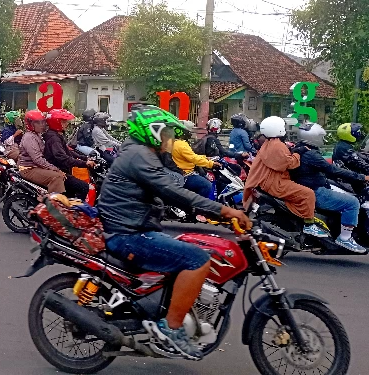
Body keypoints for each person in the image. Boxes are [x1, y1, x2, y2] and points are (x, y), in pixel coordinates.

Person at [97, 104, 251, 360]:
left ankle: (166, 310)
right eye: (166, 133)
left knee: (185, 248)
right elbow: (175, 193)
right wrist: (225, 211)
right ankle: (171, 328)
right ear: (152, 132)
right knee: (197, 259)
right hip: (129, 235)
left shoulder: (141, 153)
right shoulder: (139, 156)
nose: (170, 138)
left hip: (133, 227)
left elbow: (171, 184)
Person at [243, 116, 328, 237]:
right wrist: (299, 153)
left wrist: (294, 150)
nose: (286, 130)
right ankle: (309, 225)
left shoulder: (270, 143)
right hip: (275, 183)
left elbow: (282, 157)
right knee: (308, 194)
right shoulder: (276, 145)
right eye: (284, 127)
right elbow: (288, 164)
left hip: (269, 181)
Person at [290, 123, 368, 253]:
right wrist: (361, 177)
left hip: (312, 185)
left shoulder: (302, 149)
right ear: (313, 137)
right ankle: (345, 238)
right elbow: (333, 170)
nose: (323, 139)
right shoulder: (311, 155)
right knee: (353, 203)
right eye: (321, 136)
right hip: (315, 190)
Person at [43, 109, 95, 200]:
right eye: (64, 121)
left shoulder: (57, 135)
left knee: (70, 193)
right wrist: (84, 164)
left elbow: (67, 151)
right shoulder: (54, 138)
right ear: (56, 122)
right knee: (83, 187)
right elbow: (63, 158)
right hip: (59, 171)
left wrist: (85, 158)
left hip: (62, 170)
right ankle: (76, 212)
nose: (67, 124)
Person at [18, 110, 67, 194]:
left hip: (36, 166)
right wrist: (56, 169)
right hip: (29, 169)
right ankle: (52, 205)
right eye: (37, 123)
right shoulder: (29, 137)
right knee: (57, 177)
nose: (42, 125)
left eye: (42, 122)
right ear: (30, 124)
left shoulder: (37, 135)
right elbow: (38, 159)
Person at [172, 120, 219, 198]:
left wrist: (205, 158)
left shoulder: (175, 142)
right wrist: (211, 164)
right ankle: (198, 207)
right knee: (207, 185)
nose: (191, 133)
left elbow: (191, 156)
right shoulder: (181, 144)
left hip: (183, 172)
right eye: (190, 131)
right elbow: (194, 158)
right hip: (186, 175)